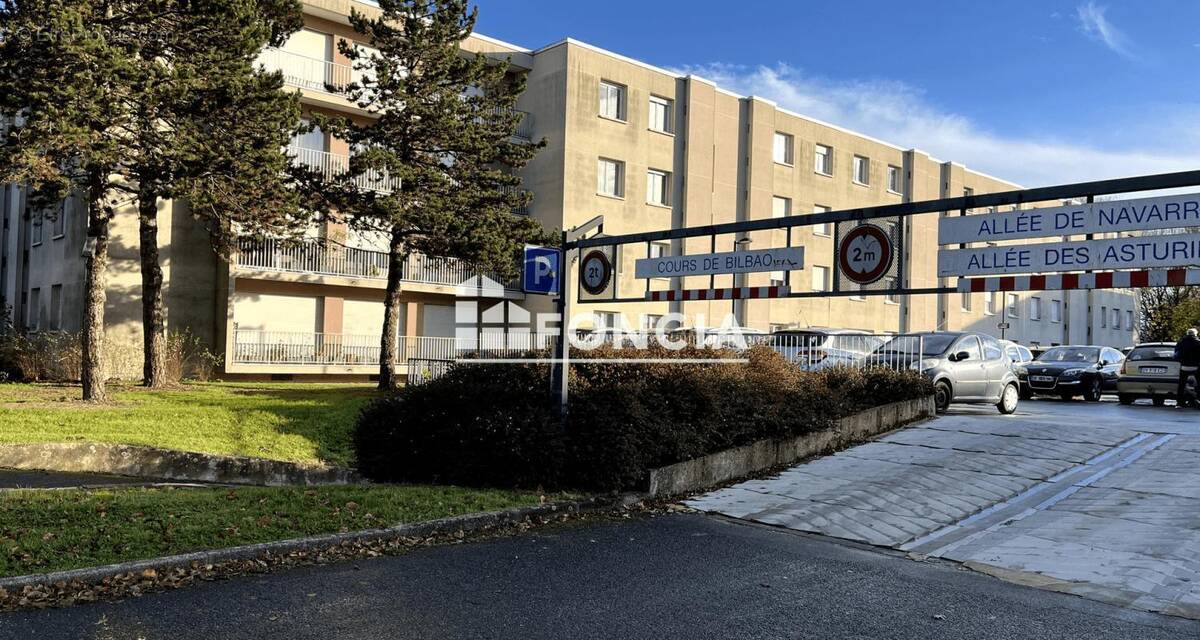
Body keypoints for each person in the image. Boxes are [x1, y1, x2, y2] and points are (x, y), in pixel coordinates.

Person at [1174, 328, 1200, 408]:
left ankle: (1179, 402)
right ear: (1195, 334)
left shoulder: (1181, 343)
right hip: (1196, 367)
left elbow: (1176, 354)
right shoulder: (1198, 343)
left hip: (1184, 367)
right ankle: (1198, 399)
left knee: (1181, 385)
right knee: (1199, 384)